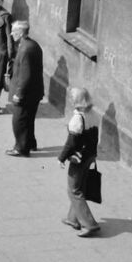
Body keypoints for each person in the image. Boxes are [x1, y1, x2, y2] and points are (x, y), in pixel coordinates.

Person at [58, 87, 101, 236]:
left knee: (73, 190)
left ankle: (89, 224)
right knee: (80, 187)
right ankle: (73, 219)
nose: (70, 99)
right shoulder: (94, 115)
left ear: (77, 101)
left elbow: (71, 143)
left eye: (72, 97)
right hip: (90, 156)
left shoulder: (77, 119)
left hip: (79, 158)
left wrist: (61, 158)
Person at [6, 19, 44, 156]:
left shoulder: (26, 49)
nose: (11, 34)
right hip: (34, 92)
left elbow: (26, 76)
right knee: (28, 119)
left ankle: (21, 148)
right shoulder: (30, 44)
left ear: (21, 33)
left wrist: (19, 94)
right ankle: (30, 143)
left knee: (19, 120)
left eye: (14, 31)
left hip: (27, 94)